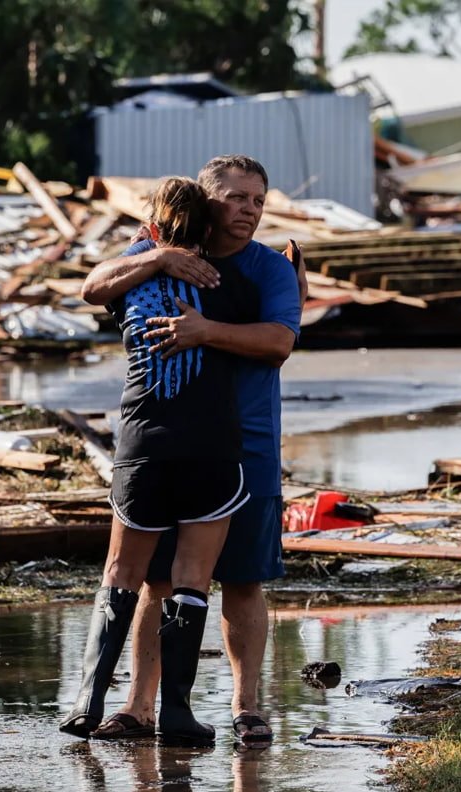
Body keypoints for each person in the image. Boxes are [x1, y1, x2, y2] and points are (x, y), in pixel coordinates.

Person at [78, 155, 304, 744]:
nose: (249, 210)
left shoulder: (268, 272)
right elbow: (94, 286)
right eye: (235, 198)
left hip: (248, 444)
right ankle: (139, 707)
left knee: (244, 579)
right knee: (157, 580)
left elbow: (279, 342)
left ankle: (246, 705)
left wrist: (207, 332)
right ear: (207, 203)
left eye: (257, 199)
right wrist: (156, 255)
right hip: (169, 444)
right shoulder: (159, 254)